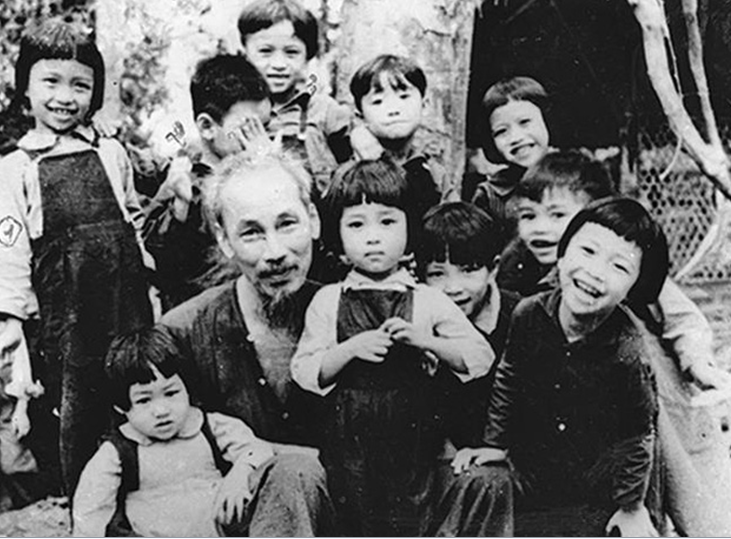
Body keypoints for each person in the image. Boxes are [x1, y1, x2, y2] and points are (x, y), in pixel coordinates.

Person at [291, 158, 497, 536]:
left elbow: (480, 358)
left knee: (412, 521)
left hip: (415, 440)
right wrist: (350, 348)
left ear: (408, 228)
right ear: (338, 234)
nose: (373, 237)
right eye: (357, 224)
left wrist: (425, 340)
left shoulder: (427, 299)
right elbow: (305, 372)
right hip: (349, 441)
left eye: (387, 222)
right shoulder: (329, 299)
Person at [0, 17, 153, 498]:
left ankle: (145, 498)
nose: (65, 97)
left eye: (80, 85)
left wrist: (147, 281)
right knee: (78, 410)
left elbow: (132, 219)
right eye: (51, 81)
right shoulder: (15, 167)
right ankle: (86, 507)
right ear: (25, 88)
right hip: (65, 316)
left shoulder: (111, 152)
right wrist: (12, 323)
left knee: (136, 395)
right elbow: (9, 250)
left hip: (126, 304)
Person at [454, 197, 667, 536]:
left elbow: (637, 435)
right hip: (537, 467)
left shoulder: (627, 350)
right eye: (588, 251)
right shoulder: (529, 313)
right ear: (563, 254)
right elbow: (509, 378)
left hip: (603, 484)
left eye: (619, 266)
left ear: (633, 289)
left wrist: (630, 506)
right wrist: (496, 443)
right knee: (484, 487)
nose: (595, 272)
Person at [161, 150, 335, 536]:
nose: (275, 253)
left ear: (313, 220)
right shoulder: (183, 333)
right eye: (252, 233)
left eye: (287, 224)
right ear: (224, 240)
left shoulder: (353, 316)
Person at [72, 325, 275, 537]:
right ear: (122, 407)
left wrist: (240, 473)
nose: (161, 411)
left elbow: (259, 450)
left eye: (171, 393)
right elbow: (90, 508)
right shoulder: (120, 451)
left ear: (187, 388)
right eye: (144, 400)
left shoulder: (209, 427)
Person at [144, 54, 273, 311]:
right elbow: (159, 254)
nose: (259, 139)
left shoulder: (262, 172)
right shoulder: (186, 181)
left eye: (265, 127)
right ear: (207, 127)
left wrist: (270, 167)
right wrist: (180, 207)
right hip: (202, 315)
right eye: (248, 128)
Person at [419, 201, 521, 449]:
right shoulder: (418, 317)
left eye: (468, 270)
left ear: (493, 268)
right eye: (437, 274)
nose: (453, 287)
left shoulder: (520, 317)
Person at [238, 0, 356, 195]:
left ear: (307, 56)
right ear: (246, 53)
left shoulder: (323, 110)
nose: (278, 64)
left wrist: (362, 135)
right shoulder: (236, 113)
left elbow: (354, 168)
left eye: (291, 52)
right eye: (265, 51)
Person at [345, 54, 456, 216]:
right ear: (360, 116)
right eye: (378, 101)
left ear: (424, 105)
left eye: (404, 97)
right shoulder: (350, 174)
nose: (393, 109)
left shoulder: (434, 174)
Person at [469, 76, 551, 241]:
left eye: (524, 122)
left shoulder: (579, 177)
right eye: (502, 131)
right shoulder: (490, 195)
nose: (516, 137)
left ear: (547, 122)